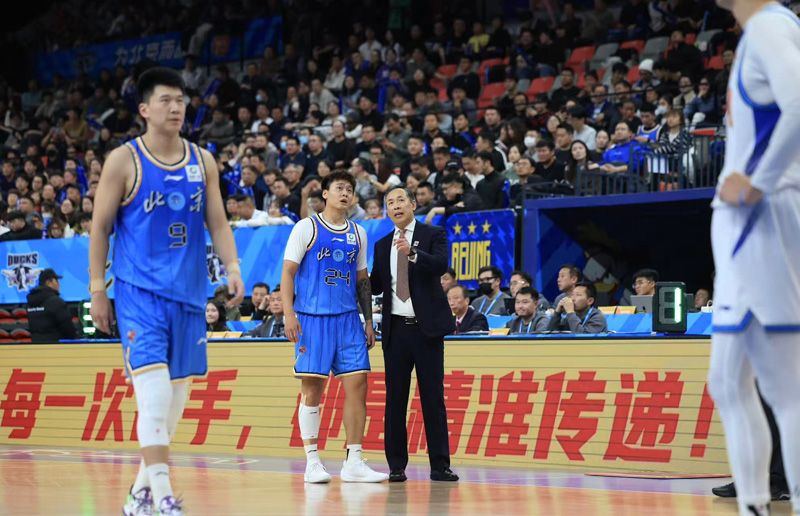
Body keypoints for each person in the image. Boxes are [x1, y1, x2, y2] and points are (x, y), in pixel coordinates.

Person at [89, 67, 244, 516]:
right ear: (144, 109)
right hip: (139, 295)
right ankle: (164, 498)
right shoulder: (124, 160)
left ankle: (138, 495)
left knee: (173, 406)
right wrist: (98, 289)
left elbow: (218, 222)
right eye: (165, 100)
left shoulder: (203, 160)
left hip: (190, 296)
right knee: (154, 396)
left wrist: (233, 266)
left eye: (180, 100)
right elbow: (99, 228)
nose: (176, 107)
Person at [707, 2, 800, 515]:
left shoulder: (769, 26)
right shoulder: (757, 32)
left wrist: (758, 182)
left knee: (785, 388)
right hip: (745, 227)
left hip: (762, 221)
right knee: (727, 381)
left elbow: (799, 104)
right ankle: (754, 506)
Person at [280, 171, 387, 484]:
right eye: (339, 188)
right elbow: (287, 273)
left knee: (358, 386)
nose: (345, 193)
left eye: (350, 189)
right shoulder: (307, 227)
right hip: (312, 318)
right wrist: (288, 314)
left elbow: (363, 280)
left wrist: (368, 320)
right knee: (313, 388)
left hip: (348, 319)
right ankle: (312, 460)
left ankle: (354, 460)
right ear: (325, 193)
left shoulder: (359, 233)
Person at [370, 186, 458, 483]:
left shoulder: (433, 234)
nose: (395, 206)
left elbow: (441, 265)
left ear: (412, 204)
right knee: (395, 400)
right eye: (389, 202)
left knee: (433, 399)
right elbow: (376, 285)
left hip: (426, 330)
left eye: (400, 200)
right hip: (395, 332)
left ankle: (440, 466)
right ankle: (396, 466)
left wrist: (413, 253)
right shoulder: (382, 245)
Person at [26, 268, 78, 342]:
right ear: (48, 282)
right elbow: (68, 329)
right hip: (55, 346)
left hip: (36, 345)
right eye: (56, 280)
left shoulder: (30, 303)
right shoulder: (56, 302)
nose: (58, 284)